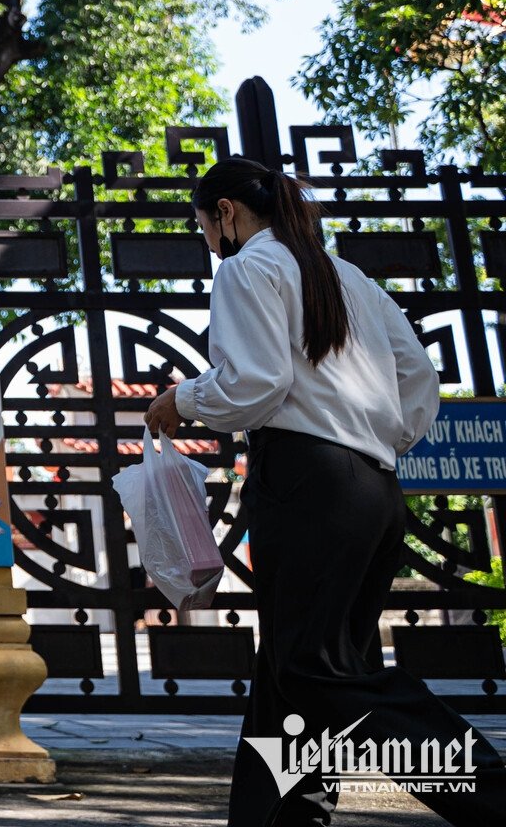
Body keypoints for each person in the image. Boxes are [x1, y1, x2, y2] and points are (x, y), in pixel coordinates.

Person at [144, 157, 506, 827]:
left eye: (204, 225)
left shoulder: (248, 266)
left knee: (319, 669)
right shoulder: (347, 275)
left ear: (226, 213)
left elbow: (255, 382)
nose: (208, 242)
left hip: (309, 485)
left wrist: (182, 399)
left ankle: (490, 792)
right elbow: (417, 376)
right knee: (292, 671)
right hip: (370, 489)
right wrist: (372, 441)